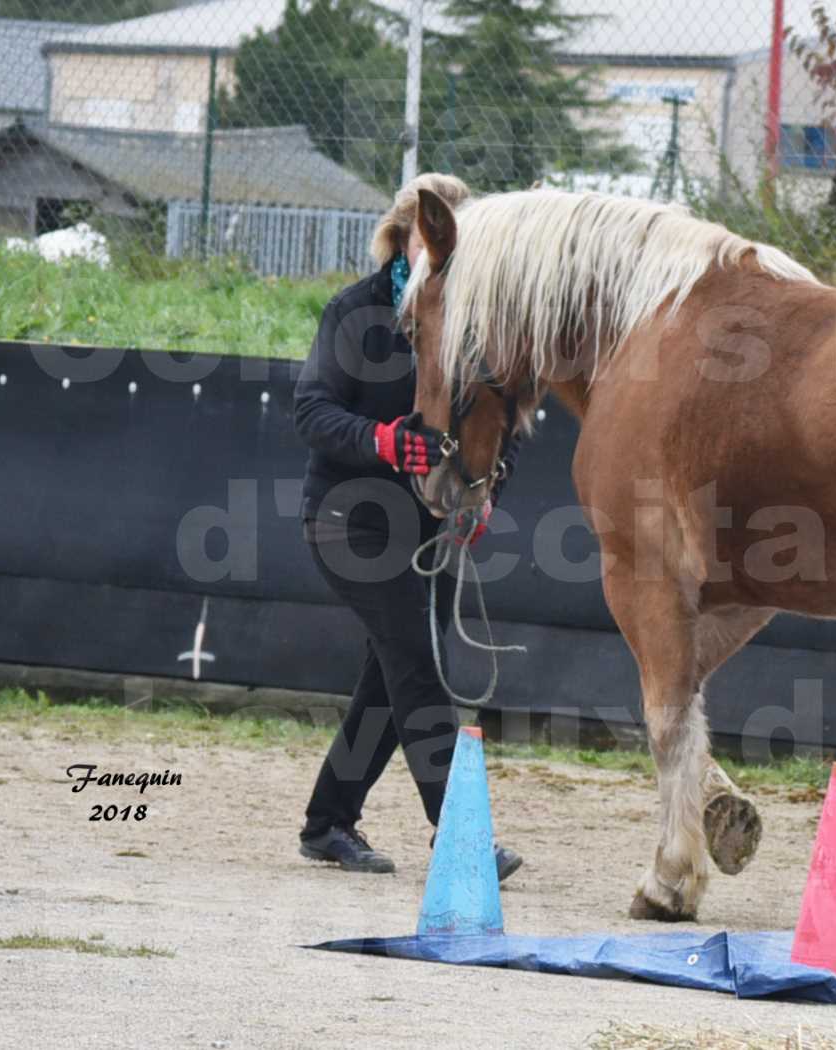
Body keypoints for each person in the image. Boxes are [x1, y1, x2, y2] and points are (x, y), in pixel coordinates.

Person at [292, 172, 523, 880]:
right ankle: (457, 833)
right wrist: (384, 441)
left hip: (427, 528)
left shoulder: (472, 318)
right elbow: (311, 413)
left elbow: (496, 417)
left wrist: (482, 494)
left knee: (389, 679)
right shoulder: (354, 312)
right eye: (435, 233)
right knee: (418, 670)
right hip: (348, 522)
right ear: (403, 237)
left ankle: (327, 822)